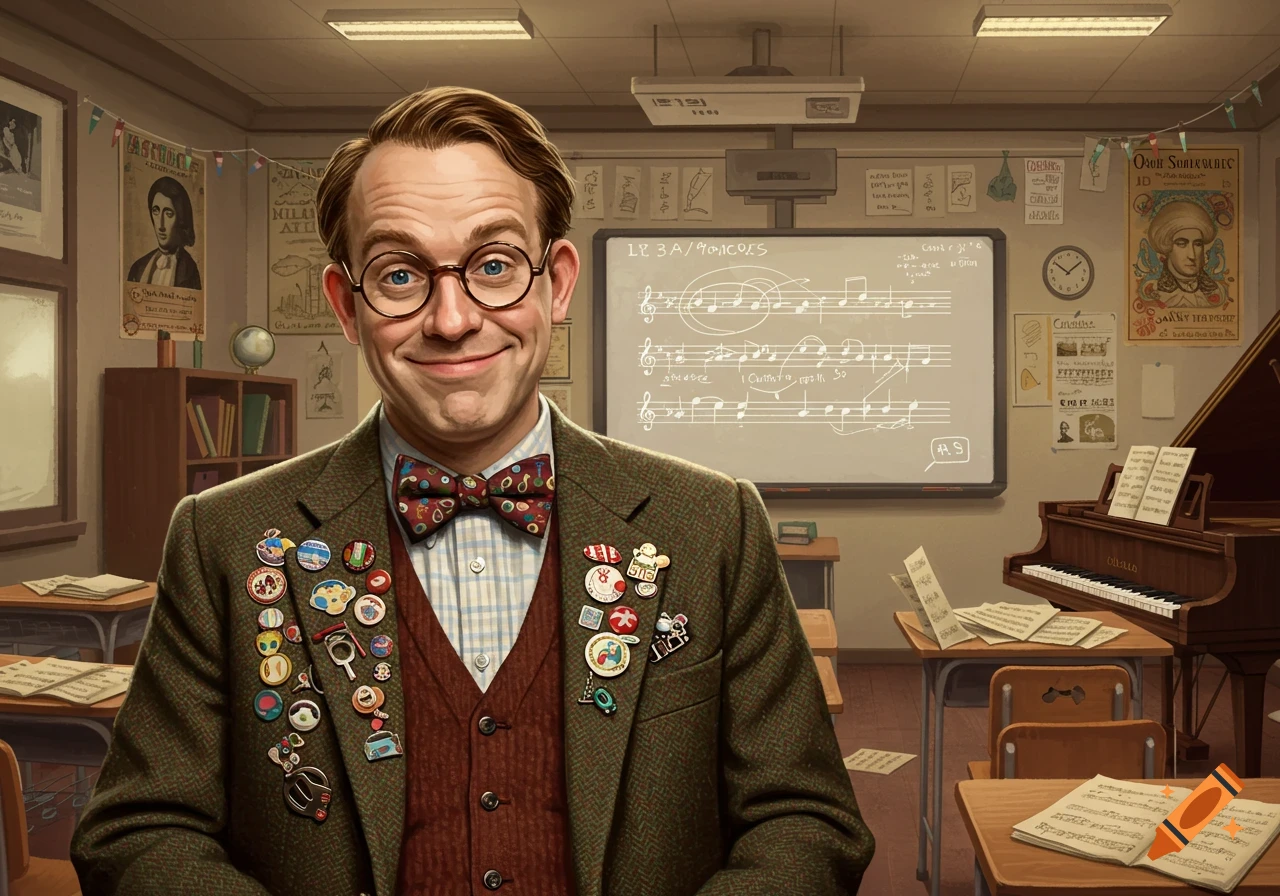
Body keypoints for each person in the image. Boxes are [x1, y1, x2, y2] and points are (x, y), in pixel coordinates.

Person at [71, 86, 873, 896]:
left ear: (555, 283)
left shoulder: (712, 525)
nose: (452, 319)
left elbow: (805, 820)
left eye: (494, 265)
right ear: (347, 307)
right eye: (398, 274)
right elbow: (138, 832)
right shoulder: (224, 537)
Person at [1142, 199, 1226, 308]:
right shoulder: (1153, 292)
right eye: (1181, 244)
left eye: (1197, 244)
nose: (1192, 255)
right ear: (1167, 247)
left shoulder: (1218, 291)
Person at [126, 175, 202, 289]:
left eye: (168, 214)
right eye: (156, 211)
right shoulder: (138, 267)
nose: (161, 225)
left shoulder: (189, 270)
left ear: (180, 218)